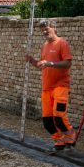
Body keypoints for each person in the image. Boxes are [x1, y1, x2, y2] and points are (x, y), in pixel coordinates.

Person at [26, 19, 76, 152]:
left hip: (61, 86)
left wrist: (50, 63)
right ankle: (59, 142)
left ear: (53, 27)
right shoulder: (44, 46)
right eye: (42, 29)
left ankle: (70, 139)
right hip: (46, 88)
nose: (44, 31)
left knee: (59, 116)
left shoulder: (62, 43)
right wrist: (32, 61)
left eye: (46, 28)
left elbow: (67, 63)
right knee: (47, 121)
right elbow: (41, 65)